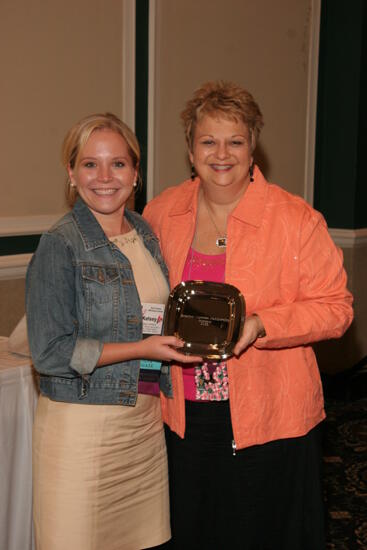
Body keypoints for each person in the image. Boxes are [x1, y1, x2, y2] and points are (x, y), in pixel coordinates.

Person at [143, 81, 353, 549]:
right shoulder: (162, 212)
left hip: (270, 414)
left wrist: (263, 325)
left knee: (263, 531)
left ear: (253, 144)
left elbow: (336, 309)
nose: (222, 154)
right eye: (208, 141)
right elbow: (149, 308)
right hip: (182, 413)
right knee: (191, 529)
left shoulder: (296, 219)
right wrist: (141, 391)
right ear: (190, 148)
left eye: (235, 140)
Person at [26, 112, 201, 550]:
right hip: (81, 433)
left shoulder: (144, 232)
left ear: (136, 173)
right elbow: (48, 353)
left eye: (118, 164)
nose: (104, 177)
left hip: (142, 426)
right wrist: (141, 348)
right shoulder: (60, 244)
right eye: (90, 164)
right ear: (71, 173)